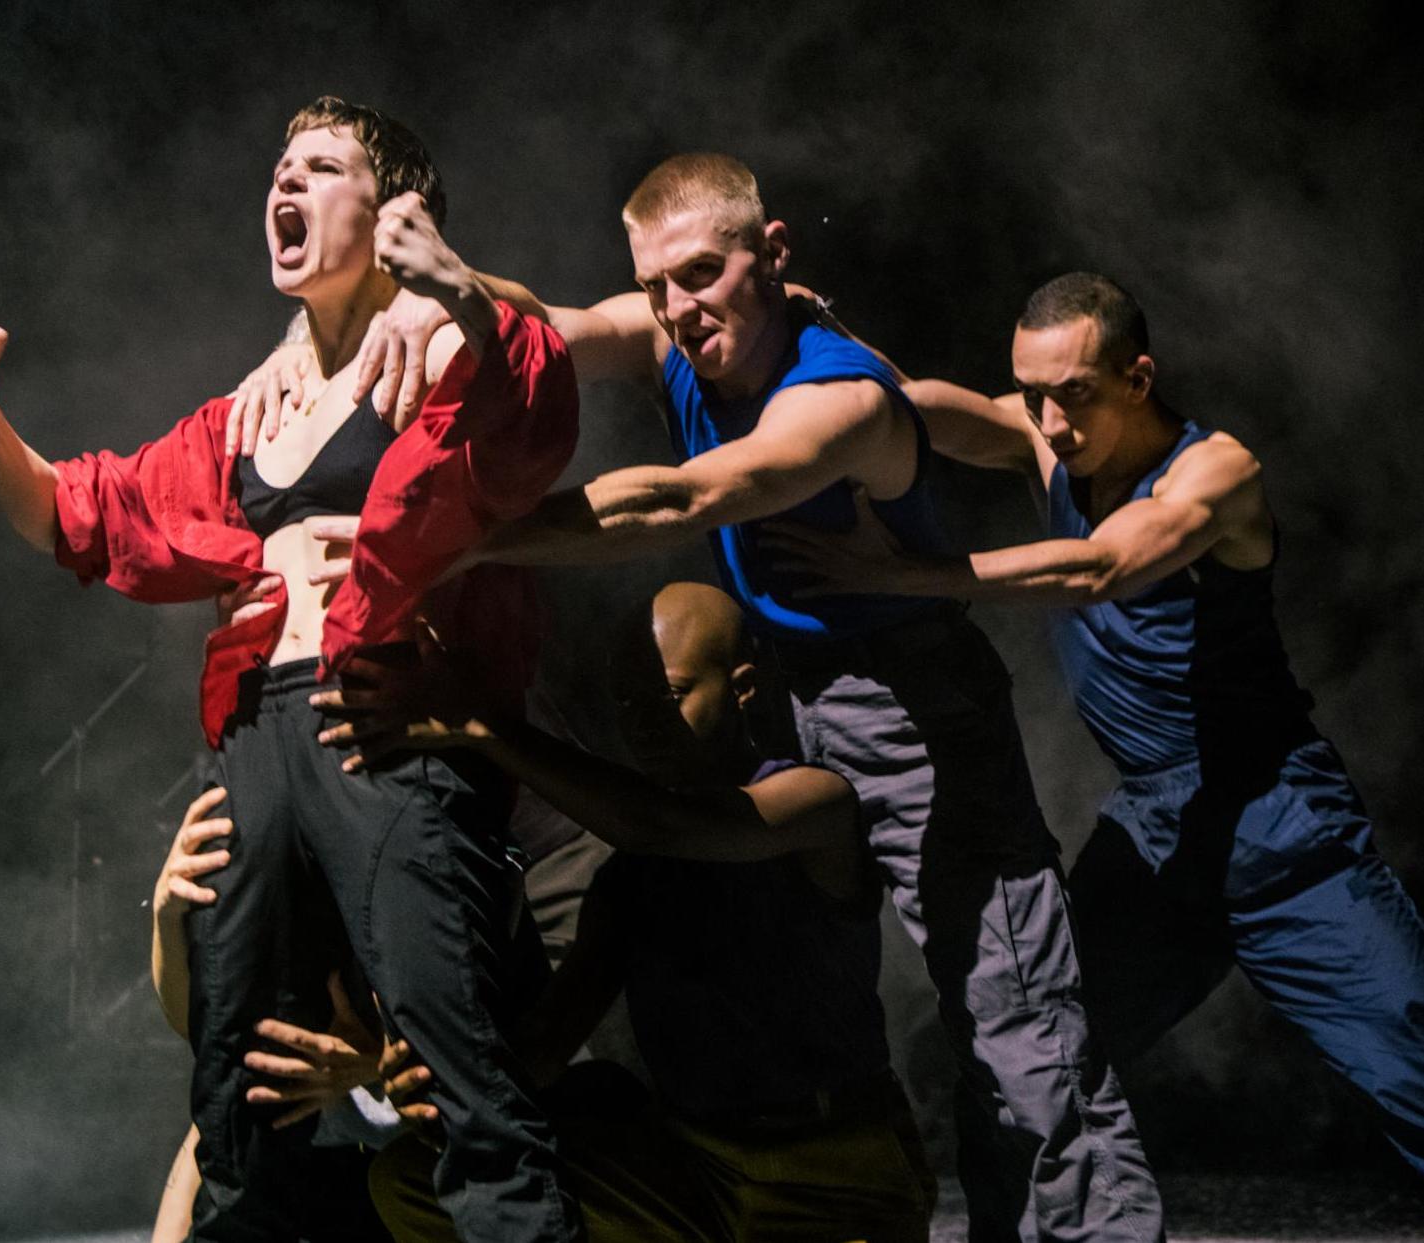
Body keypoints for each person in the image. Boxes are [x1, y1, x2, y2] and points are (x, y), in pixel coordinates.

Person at [259, 153, 1163, 1240]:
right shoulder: (673, 339)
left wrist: (441, 544)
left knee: (1018, 1025)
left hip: (916, 714)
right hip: (797, 694)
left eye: (701, 275)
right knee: (718, 906)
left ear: (773, 254)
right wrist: (456, 286)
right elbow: (554, 326)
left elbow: (684, 497)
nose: (678, 311)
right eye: (656, 288)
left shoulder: (835, 397)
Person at [0, 96, 582, 1241]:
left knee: (465, 1092)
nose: (286, 184)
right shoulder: (243, 416)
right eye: (279, 167)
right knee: (238, 1095)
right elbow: (82, 514)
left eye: (321, 166)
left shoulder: (448, 346)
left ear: (394, 209)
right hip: (255, 747)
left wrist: (455, 286)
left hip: (382, 737)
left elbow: (538, 405)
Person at [765, 270, 1424, 1176]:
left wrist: (903, 574)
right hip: (1154, 835)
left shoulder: (1217, 472)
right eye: (1029, 394)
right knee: (1030, 1064)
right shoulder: (1048, 442)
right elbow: (902, 408)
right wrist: (815, 336)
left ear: (1136, 379)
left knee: (1416, 1073)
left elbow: (1099, 568)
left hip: (1278, 825)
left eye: (1072, 395)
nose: (1047, 422)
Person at [317, 581, 936, 1241]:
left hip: (835, 1173)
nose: (641, 721)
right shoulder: (629, 877)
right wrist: (408, 1074)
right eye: (627, 701)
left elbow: (660, 824)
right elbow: (545, 1048)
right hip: (696, 1172)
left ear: (743, 687)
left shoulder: (816, 803)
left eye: (666, 695)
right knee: (416, 1179)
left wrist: (483, 725)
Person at [148, 785, 395, 1243]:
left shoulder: (391, 857)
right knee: (224, 1124)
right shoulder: (273, 877)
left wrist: (374, 1065)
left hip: (406, 1159)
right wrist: (166, 915)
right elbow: (193, 1026)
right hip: (307, 1145)